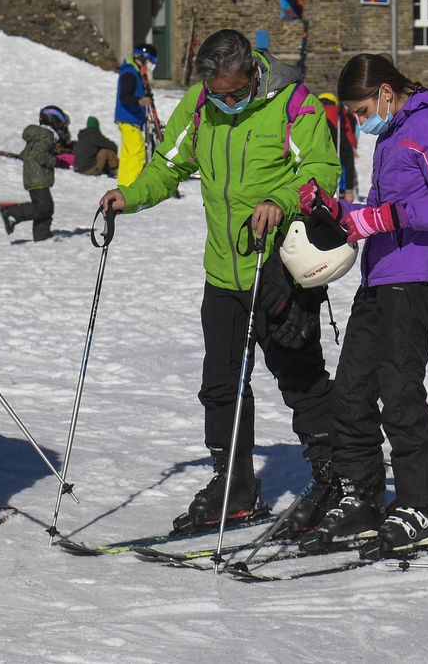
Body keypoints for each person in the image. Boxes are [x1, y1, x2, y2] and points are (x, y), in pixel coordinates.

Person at [99, 29, 342, 534]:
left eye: (234, 93)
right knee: (221, 384)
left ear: (254, 72)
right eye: (217, 94)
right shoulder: (200, 104)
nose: (226, 102)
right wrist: (131, 195)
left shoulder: (294, 105)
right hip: (223, 270)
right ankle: (234, 485)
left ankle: (332, 477)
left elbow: (322, 168)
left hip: (280, 269)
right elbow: (169, 163)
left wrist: (283, 200)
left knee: (299, 375)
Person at [298, 54, 428, 557]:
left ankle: (422, 504)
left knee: (399, 389)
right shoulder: (393, 134)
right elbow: (378, 212)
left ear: (385, 94)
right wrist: (337, 210)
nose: (358, 121)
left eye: (359, 111)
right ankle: (362, 496)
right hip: (380, 275)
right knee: (351, 389)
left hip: (417, 275)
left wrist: (387, 216)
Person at [0, 108, 59, 241]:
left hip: (33, 177)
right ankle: (12, 213)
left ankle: (42, 236)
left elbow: (26, 154)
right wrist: (55, 161)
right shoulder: (47, 136)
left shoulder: (37, 137)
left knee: (46, 207)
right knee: (44, 206)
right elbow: (40, 154)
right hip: (39, 178)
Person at [115, 44, 154, 186]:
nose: (150, 65)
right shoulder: (130, 73)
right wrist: (140, 101)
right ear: (145, 59)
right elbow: (124, 97)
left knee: (127, 155)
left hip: (129, 119)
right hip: (129, 118)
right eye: (151, 61)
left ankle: (122, 187)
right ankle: (130, 189)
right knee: (137, 152)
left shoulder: (133, 72)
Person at [316, 91, 360, 202]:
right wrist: (353, 145)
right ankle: (343, 189)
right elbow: (351, 128)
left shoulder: (314, 111)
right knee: (341, 164)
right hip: (339, 143)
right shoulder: (341, 112)